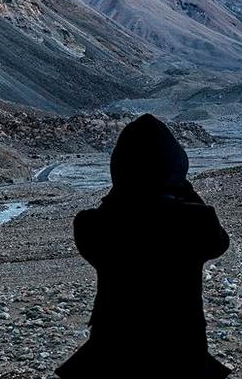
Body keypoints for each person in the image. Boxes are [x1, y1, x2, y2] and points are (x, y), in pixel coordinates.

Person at [58, 114, 232, 378]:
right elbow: (219, 244)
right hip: (181, 353)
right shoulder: (197, 221)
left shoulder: (93, 224)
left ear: (119, 166)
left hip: (113, 353)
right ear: (176, 165)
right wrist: (183, 189)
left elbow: (98, 237)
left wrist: (120, 194)